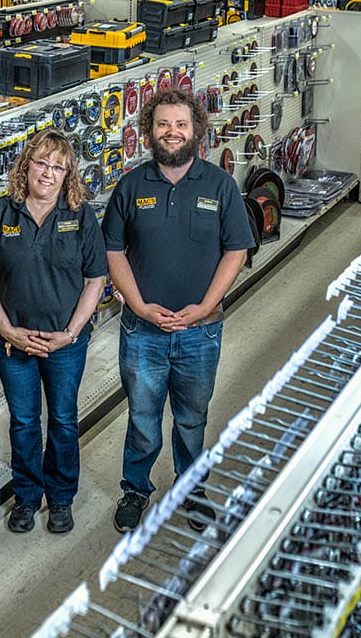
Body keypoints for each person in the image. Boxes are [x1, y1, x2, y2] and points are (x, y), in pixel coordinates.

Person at [101, 87, 254, 533]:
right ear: (149, 131)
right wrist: (138, 306)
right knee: (143, 418)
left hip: (200, 332)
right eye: (163, 124)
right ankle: (136, 489)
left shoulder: (220, 185)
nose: (172, 132)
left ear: (196, 131)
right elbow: (113, 252)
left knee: (192, 418)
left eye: (181, 124)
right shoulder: (131, 186)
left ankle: (192, 489)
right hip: (143, 332)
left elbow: (237, 250)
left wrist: (205, 307)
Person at [0, 130, 107, 534]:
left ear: (68, 175)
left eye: (57, 167)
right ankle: (27, 497)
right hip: (13, 344)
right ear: (26, 166)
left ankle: (61, 497)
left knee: (63, 420)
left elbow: (95, 281)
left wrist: (71, 332)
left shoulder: (80, 217)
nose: (47, 173)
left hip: (65, 344)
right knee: (24, 421)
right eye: (41, 163)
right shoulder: (2, 214)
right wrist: (7, 330)